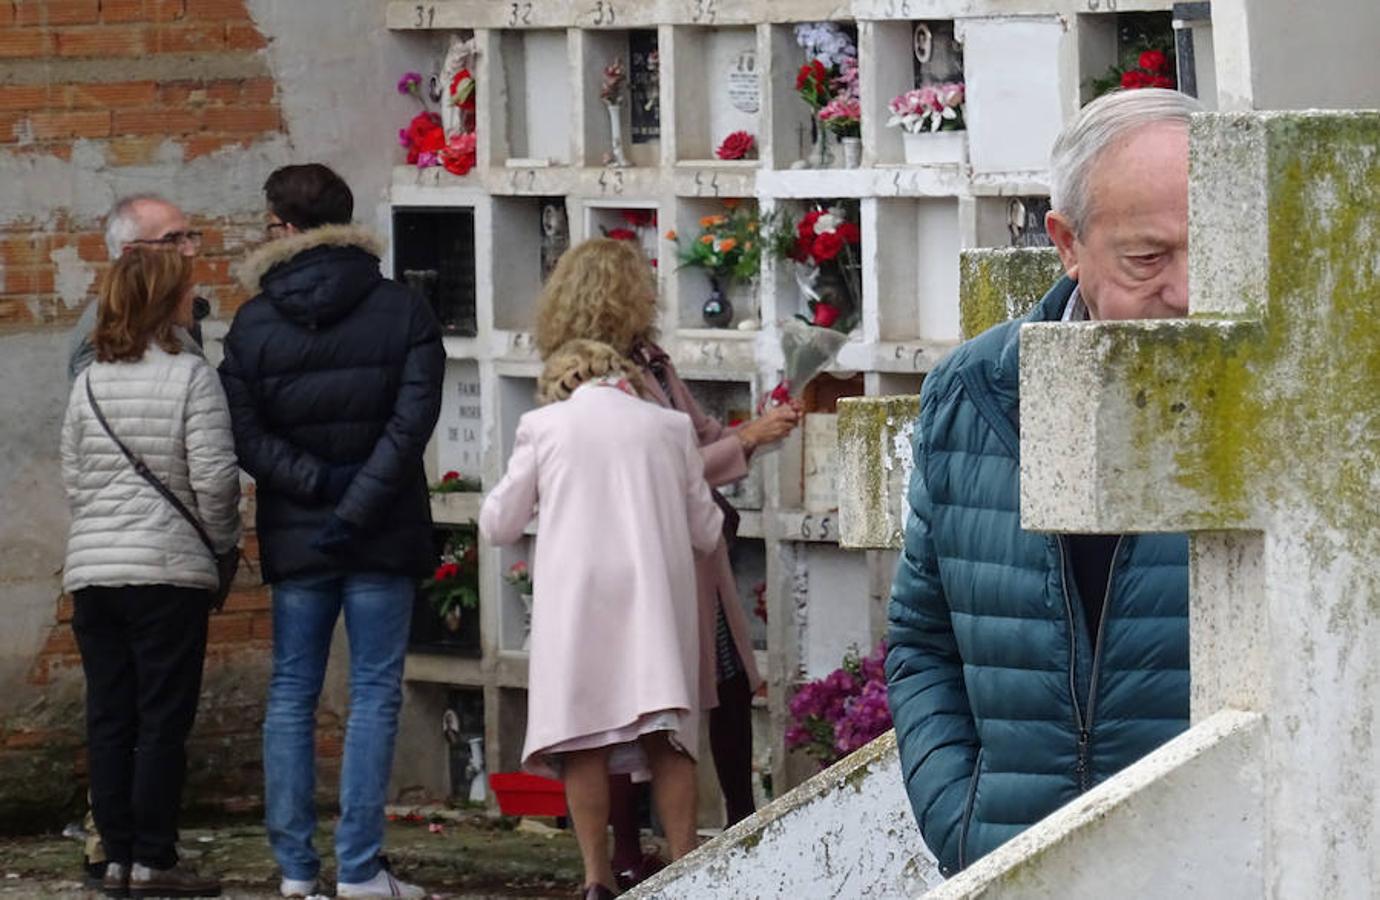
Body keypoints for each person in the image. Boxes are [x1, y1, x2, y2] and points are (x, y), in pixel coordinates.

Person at [886, 88, 1198, 877]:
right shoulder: (975, 392)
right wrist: (964, 818)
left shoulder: (1291, 392)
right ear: (1067, 243)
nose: (1188, 294)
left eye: (1213, 249)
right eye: (1148, 258)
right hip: (1016, 857)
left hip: (1216, 855)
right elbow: (924, 638)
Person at [534, 237, 799, 881]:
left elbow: (698, 438)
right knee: (638, 715)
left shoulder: (652, 362)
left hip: (687, 564)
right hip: (643, 566)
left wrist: (748, 432)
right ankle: (636, 862)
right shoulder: (584, 378)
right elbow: (658, 467)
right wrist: (747, 440)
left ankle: (714, 841)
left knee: (725, 692)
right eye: (642, 284)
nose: (653, 294)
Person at [219, 164, 443, 900]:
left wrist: (317, 489)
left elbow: (245, 435)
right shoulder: (402, 308)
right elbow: (412, 425)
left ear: (283, 228)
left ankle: (293, 870)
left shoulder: (252, 322)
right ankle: (359, 870)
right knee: (375, 691)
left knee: (291, 691)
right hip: (381, 527)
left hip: (299, 531)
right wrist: (358, 498)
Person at [479, 339, 723, 900]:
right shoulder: (668, 428)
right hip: (655, 599)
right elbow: (706, 531)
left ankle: (596, 878)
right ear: (625, 377)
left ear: (561, 382)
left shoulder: (544, 427)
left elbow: (499, 524)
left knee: (582, 735)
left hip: (577, 599)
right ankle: (687, 872)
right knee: (668, 736)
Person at [61, 248, 241, 899]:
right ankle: (153, 857)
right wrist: (220, 548)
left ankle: (112, 858)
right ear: (166, 302)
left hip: (94, 574)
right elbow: (216, 484)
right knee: (163, 718)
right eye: (186, 289)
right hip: (166, 575)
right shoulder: (193, 377)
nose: (195, 296)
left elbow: (75, 481)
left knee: (110, 716)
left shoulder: (88, 382)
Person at [69, 194, 209, 383]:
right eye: (173, 239)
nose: (190, 251)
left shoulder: (170, 310)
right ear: (131, 254)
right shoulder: (108, 325)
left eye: (190, 237)